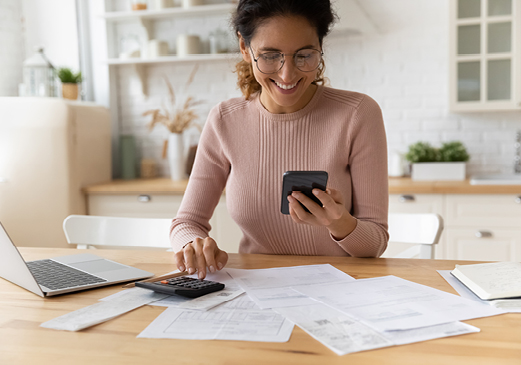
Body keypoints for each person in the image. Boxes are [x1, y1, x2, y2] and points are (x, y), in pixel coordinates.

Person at [171, 0, 389, 279]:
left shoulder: (357, 114)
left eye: (304, 55)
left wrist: (340, 222)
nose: (287, 74)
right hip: (257, 288)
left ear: (320, 47)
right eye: (270, 55)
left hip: (340, 287)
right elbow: (186, 222)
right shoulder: (225, 120)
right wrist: (193, 244)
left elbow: (375, 243)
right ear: (244, 48)